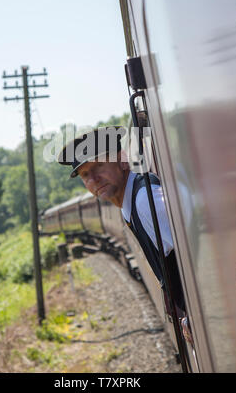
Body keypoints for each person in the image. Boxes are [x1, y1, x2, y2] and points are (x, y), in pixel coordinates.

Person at [58, 126, 192, 344]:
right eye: (85, 174)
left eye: (99, 165)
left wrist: (193, 316)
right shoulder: (129, 205)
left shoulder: (145, 201)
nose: (94, 179)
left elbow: (198, 258)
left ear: (122, 160)